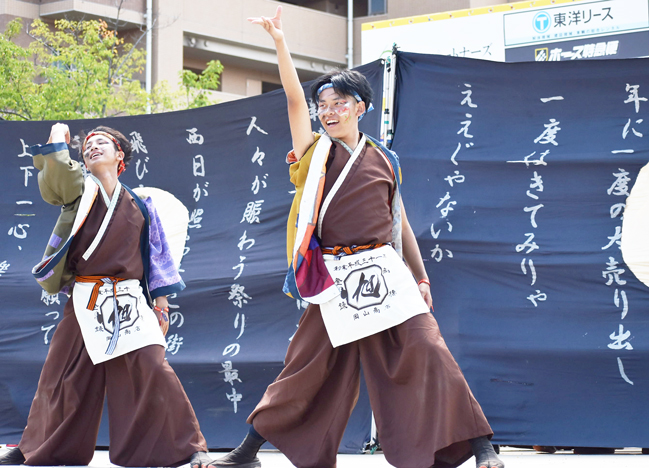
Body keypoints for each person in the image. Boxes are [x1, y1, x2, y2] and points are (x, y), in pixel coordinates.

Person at [212, 7, 504, 468]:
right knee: (303, 367)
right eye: (323, 106)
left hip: (387, 272)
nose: (328, 112)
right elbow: (292, 99)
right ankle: (248, 452)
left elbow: (398, 222)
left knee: (429, 348)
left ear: (360, 107)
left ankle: (483, 446)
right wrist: (280, 43)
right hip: (334, 276)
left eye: (339, 103)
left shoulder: (386, 159)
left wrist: (421, 277)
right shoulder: (313, 153)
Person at [0, 123, 212, 468]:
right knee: (61, 376)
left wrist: (161, 305)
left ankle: (187, 448)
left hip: (129, 298)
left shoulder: (142, 205)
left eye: (101, 143)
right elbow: (59, 176)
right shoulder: (80, 192)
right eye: (87, 147)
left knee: (154, 369)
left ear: (120, 157)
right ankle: (35, 449)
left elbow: (158, 256)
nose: (91, 148)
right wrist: (57, 140)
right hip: (87, 296)